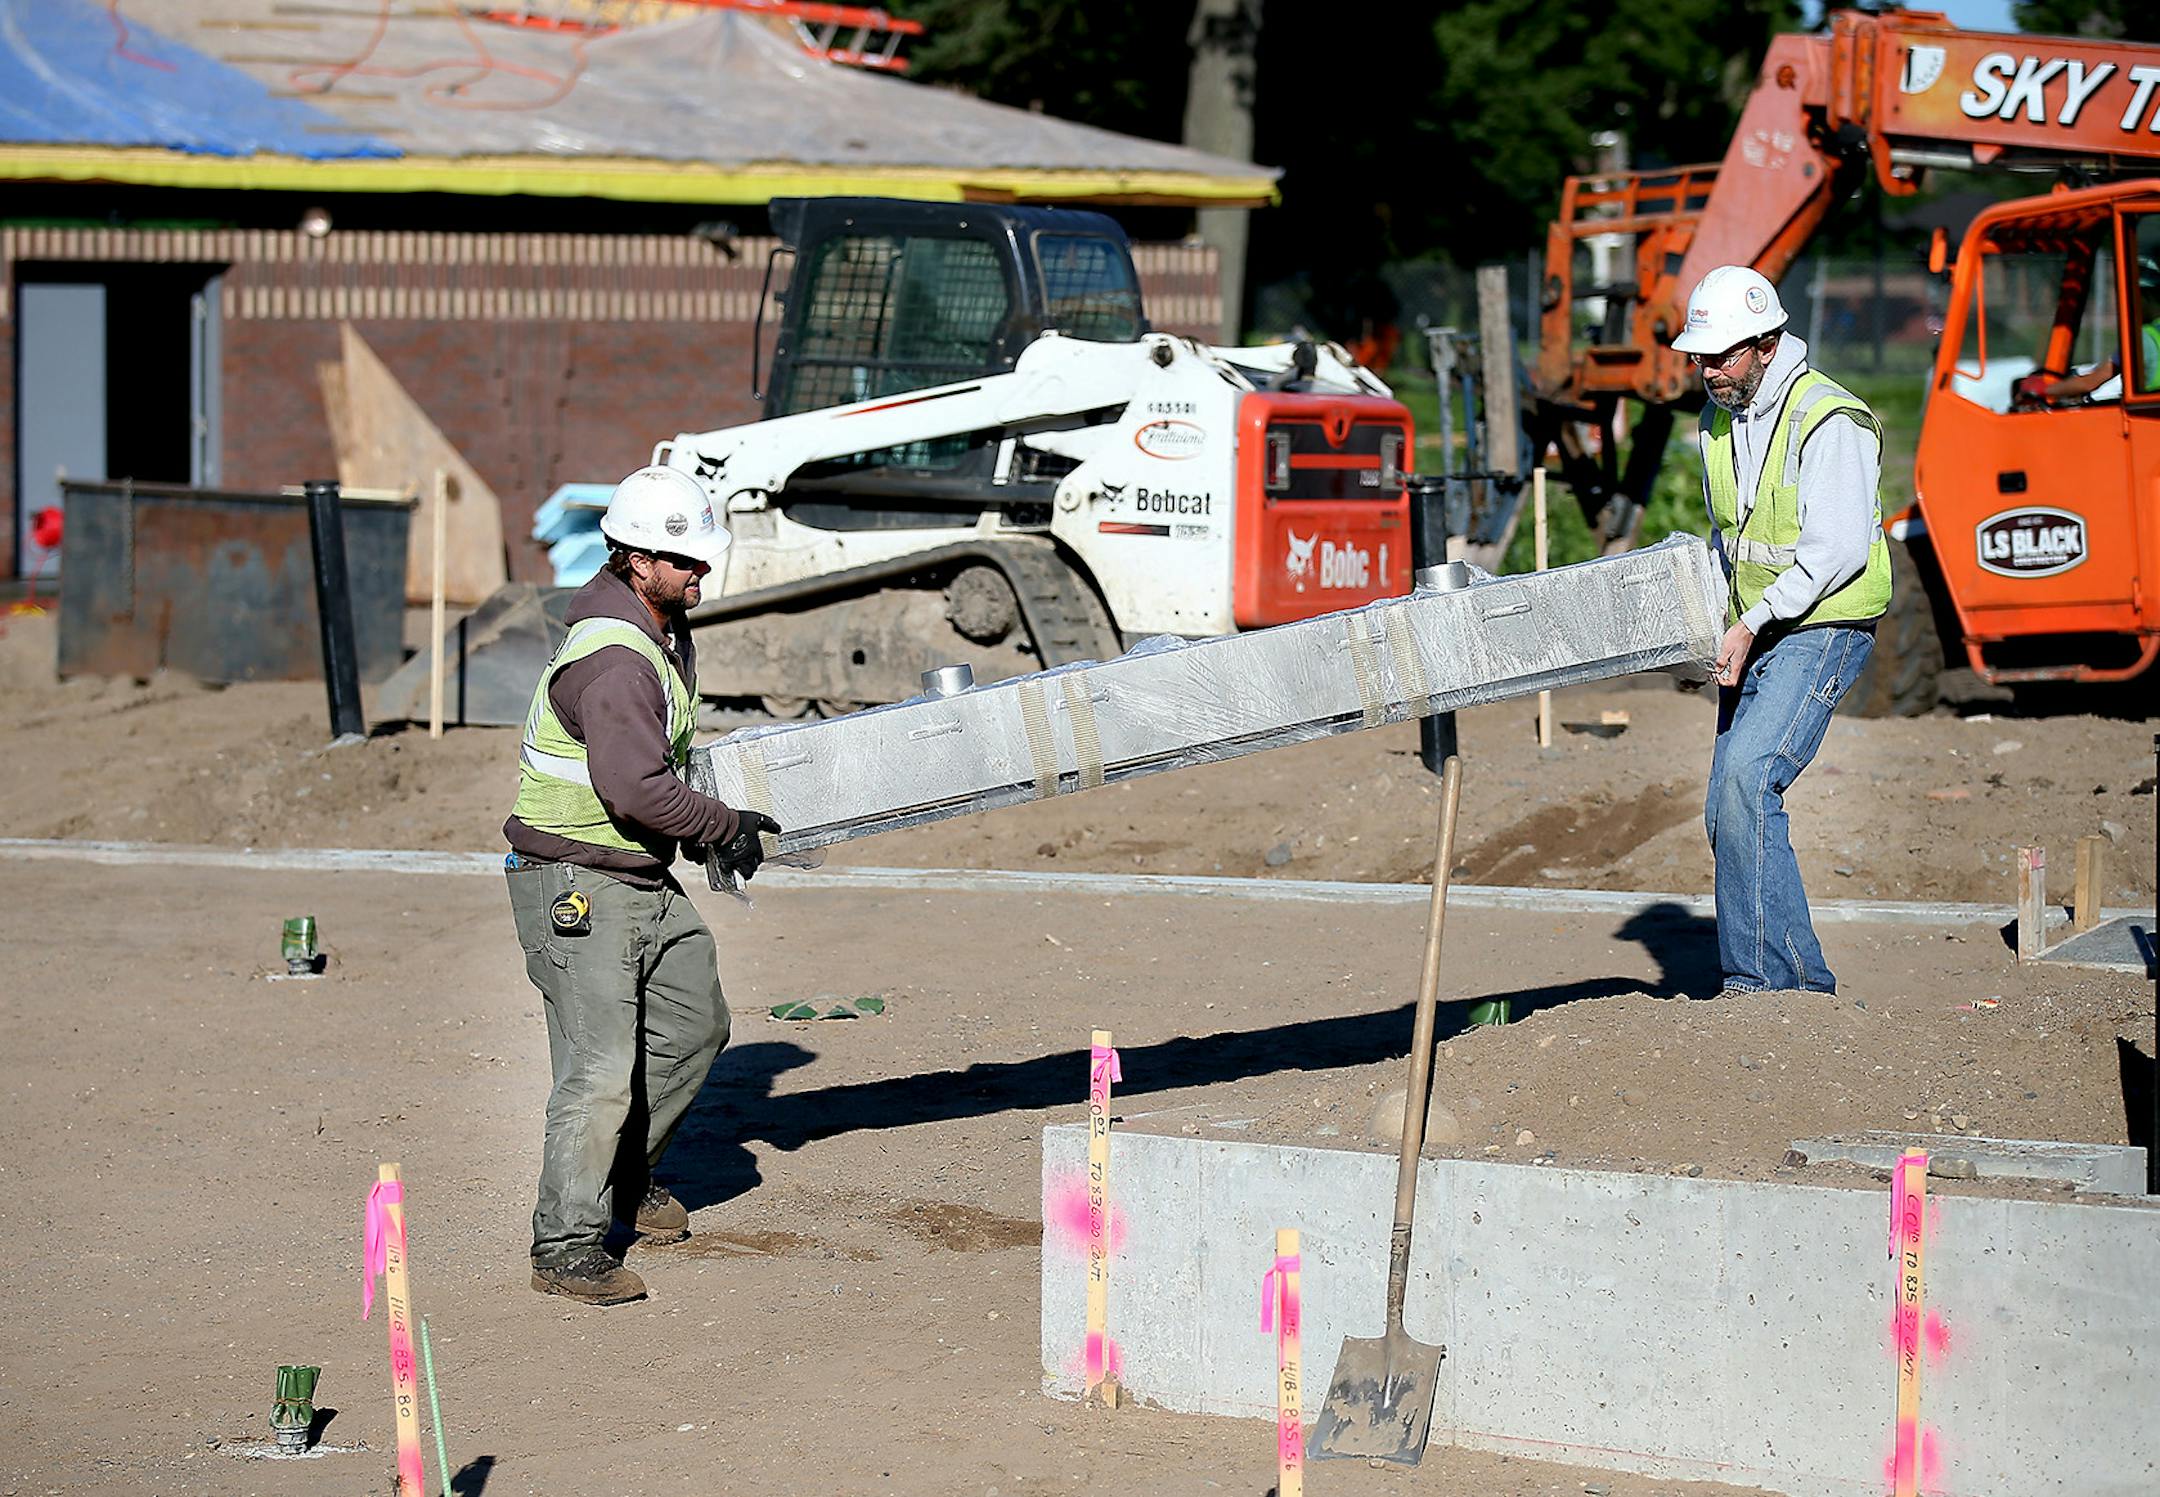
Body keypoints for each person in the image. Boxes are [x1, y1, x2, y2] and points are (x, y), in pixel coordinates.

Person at [503, 465, 781, 1305]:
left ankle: (624, 1177)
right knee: (597, 1065)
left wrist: (697, 828)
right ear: (632, 559)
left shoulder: (660, 630)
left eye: (702, 559)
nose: (702, 573)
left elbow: (657, 774)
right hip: (574, 880)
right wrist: (717, 824)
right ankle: (568, 1245)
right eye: (684, 561)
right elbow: (634, 788)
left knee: (698, 1022)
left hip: (632, 868)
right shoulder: (618, 656)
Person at [1673, 266, 1892, 997]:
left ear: (1767, 343)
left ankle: (1773, 988)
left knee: (1747, 776)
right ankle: (1787, 980)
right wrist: (1705, 625)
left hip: (1824, 621)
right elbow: (1731, 537)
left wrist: (1750, 623)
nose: (1707, 371)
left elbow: (1835, 553)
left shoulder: (1829, 419)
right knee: (1724, 805)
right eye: (1699, 357)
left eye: (1722, 356)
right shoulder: (1719, 421)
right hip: (1760, 627)